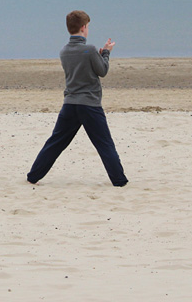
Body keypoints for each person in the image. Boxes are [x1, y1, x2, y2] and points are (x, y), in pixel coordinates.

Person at [27, 10, 128, 187]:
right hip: (89, 105)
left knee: (56, 142)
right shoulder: (89, 50)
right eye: (88, 26)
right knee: (105, 144)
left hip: (70, 104)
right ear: (83, 28)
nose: (88, 29)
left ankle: (33, 176)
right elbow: (102, 71)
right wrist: (106, 53)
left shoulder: (64, 51)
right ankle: (119, 180)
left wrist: (100, 53)